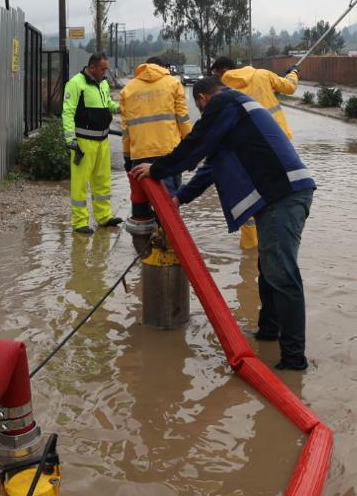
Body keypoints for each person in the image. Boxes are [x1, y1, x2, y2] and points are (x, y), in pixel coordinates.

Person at [129, 76, 316, 370]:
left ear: (202, 99)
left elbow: (194, 144)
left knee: (282, 273)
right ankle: (269, 332)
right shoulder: (235, 111)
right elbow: (210, 168)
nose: (202, 113)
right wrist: (180, 198)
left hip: (284, 196)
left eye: (199, 108)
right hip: (283, 195)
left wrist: (158, 168)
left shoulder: (224, 102)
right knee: (269, 269)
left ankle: (294, 360)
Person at [210, 56, 300, 249]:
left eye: (215, 73)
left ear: (222, 71)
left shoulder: (220, 90)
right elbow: (290, 87)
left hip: (245, 151)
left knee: (248, 197)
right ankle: (277, 242)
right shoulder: (262, 74)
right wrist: (293, 72)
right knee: (279, 194)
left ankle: (250, 249)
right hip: (278, 145)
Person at [119, 56, 191, 221]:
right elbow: (183, 119)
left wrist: (127, 157)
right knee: (168, 203)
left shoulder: (128, 90)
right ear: (163, 67)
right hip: (169, 154)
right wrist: (190, 147)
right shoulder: (173, 83)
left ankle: (145, 243)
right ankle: (167, 242)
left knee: (141, 203)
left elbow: (126, 129)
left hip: (140, 154)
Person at [62, 53, 122, 235]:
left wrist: (118, 107)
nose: (106, 72)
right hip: (83, 142)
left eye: (106, 68)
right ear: (92, 67)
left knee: (102, 181)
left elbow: (107, 104)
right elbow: (67, 112)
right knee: (80, 184)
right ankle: (79, 222)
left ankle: (104, 217)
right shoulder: (76, 83)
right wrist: (70, 140)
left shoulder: (102, 83)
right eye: (103, 69)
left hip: (102, 141)